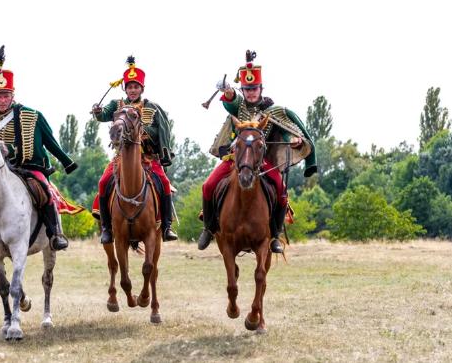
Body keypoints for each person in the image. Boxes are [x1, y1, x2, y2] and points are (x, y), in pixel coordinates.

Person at [0, 45, 79, 260]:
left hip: (26, 166)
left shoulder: (31, 115)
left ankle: (55, 233)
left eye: (6, 96)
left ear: (12, 95)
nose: (2, 100)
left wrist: (66, 162)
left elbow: (51, 142)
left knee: (45, 189)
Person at [198, 50, 316, 253]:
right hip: (235, 158)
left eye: (254, 89)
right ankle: (209, 228)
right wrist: (227, 91)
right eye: (247, 89)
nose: (251, 92)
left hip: (261, 162)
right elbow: (231, 100)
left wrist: (294, 140)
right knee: (208, 186)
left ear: (261, 88)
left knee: (281, 191)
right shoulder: (239, 107)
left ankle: (275, 235)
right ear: (243, 90)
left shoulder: (273, 111)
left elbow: (285, 131)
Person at [91, 55, 178, 244]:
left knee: (163, 182)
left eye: (136, 87)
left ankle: (167, 226)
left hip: (147, 157)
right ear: (125, 88)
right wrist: (98, 112)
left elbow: (159, 130)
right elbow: (105, 115)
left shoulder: (151, 108)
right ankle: (106, 228)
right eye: (129, 86)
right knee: (103, 181)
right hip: (122, 157)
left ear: (142, 88)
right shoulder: (117, 105)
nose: (132, 90)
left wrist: (141, 129)